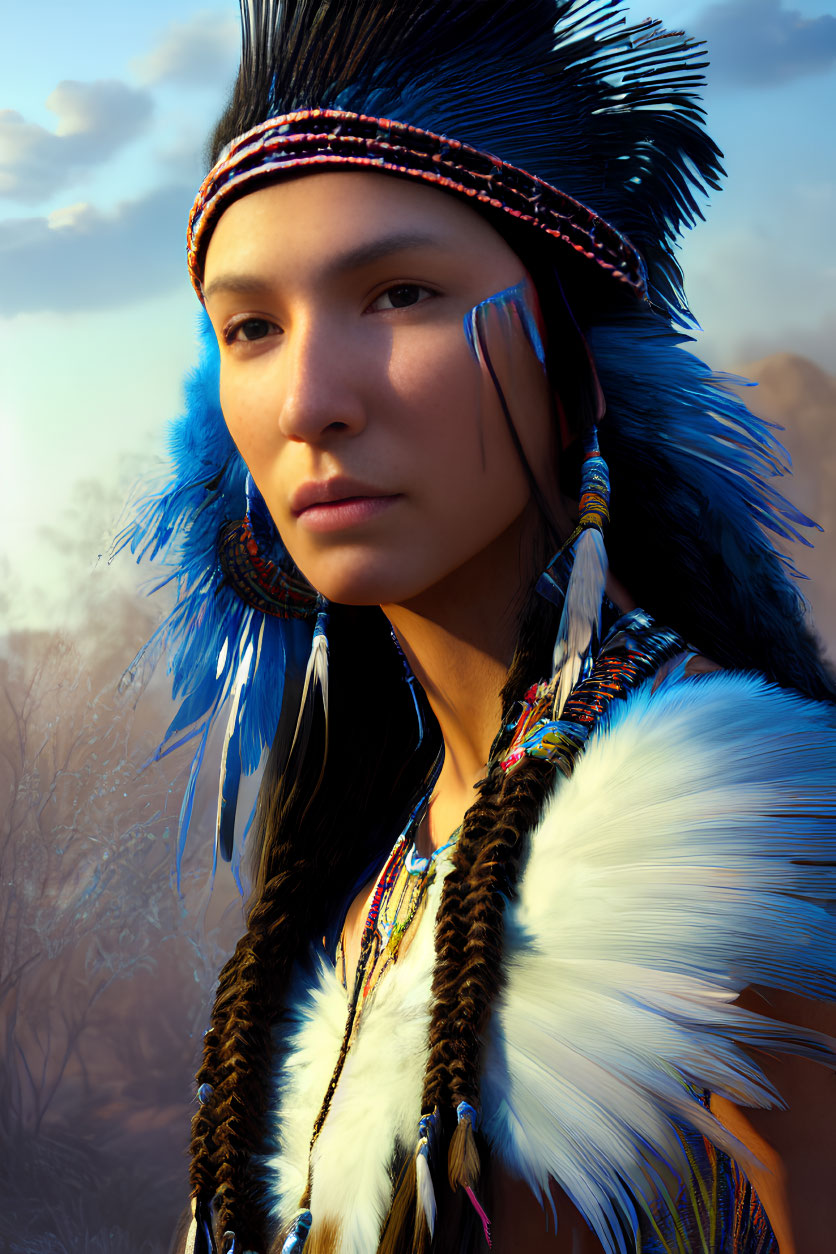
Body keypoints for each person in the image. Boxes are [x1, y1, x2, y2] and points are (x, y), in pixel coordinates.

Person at [118, 1, 836, 1252]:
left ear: (574, 366)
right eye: (251, 328)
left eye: (397, 293)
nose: (309, 400)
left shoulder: (734, 835)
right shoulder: (376, 873)